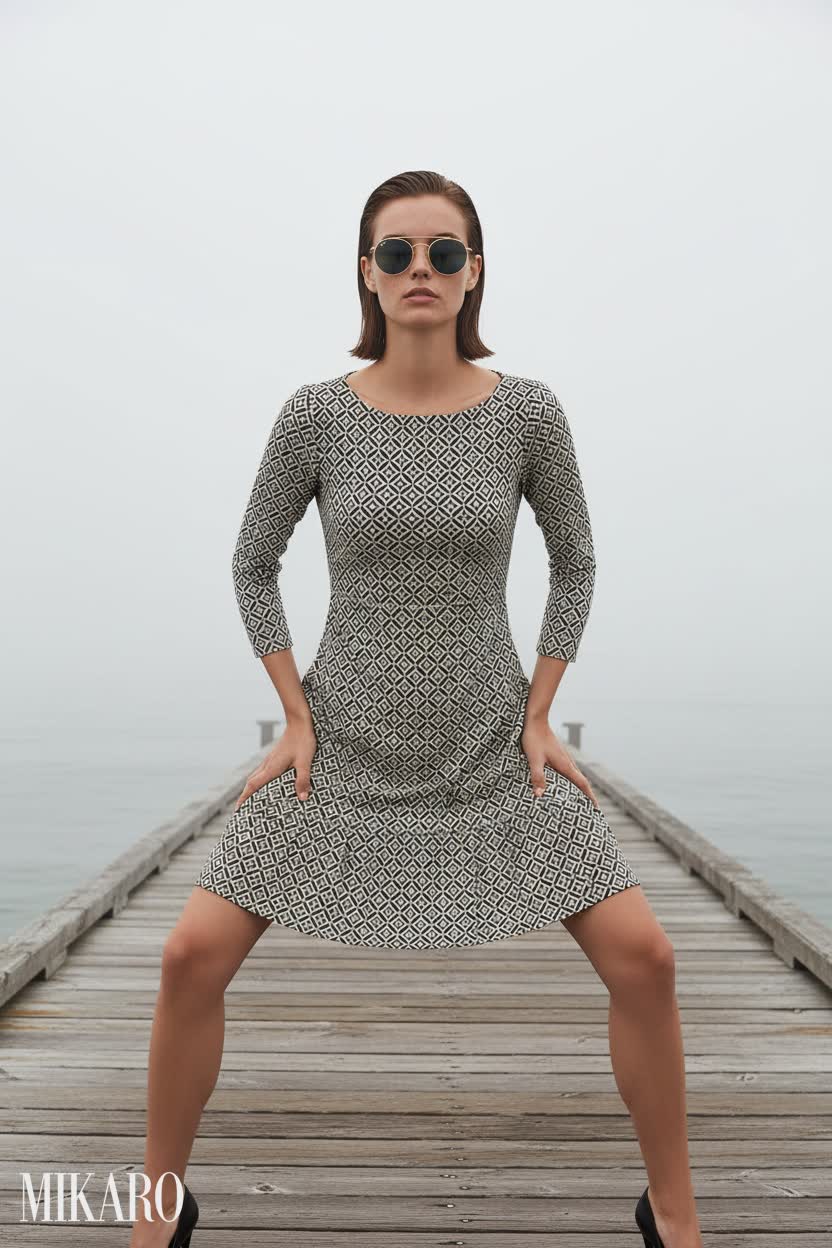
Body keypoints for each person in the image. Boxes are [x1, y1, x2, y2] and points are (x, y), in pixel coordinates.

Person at [129, 170, 703, 1248]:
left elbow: (574, 564)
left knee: (649, 958)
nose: (421, 272)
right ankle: (157, 1215)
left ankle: (671, 1212)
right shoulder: (315, 417)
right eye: (397, 253)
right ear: (366, 273)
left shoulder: (528, 412)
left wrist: (541, 717)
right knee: (185, 956)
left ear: (475, 271)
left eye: (444, 252)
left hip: (492, 752)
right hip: (338, 752)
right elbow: (254, 565)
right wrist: (294, 717)